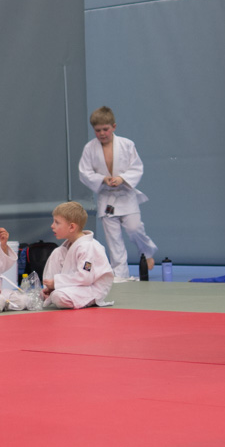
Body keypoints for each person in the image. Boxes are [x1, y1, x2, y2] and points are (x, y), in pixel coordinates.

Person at [78, 107, 158, 282]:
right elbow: (84, 172)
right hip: (107, 198)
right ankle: (120, 273)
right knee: (113, 239)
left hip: (126, 194)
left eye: (105, 129)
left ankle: (146, 252)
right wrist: (102, 179)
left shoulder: (127, 144)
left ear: (113, 126)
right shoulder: (90, 148)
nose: (102, 133)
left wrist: (122, 178)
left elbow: (136, 167)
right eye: (98, 130)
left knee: (134, 228)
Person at [41, 201, 114, 309]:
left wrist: (56, 282)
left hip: (92, 288)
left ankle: (55, 293)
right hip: (75, 286)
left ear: (71, 227)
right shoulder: (67, 247)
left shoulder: (87, 247)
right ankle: (51, 291)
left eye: (57, 222)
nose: (52, 226)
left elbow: (85, 278)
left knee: (58, 296)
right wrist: (52, 286)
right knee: (57, 252)